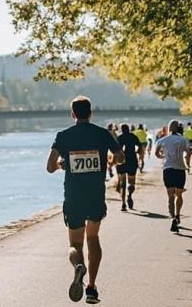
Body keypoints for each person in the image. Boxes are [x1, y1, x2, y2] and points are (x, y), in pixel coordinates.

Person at [47, 96, 124, 304]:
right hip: (95, 194)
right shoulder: (102, 134)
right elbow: (121, 158)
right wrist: (109, 159)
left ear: (73, 114)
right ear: (90, 113)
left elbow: (50, 166)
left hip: (73, 196)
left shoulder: (63, 136)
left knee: (75, 244)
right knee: (93, 238)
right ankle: (91, 288)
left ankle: (78, 266)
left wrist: (62, 165)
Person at [155, 120, 189, 232]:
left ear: (169, 128)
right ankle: (178, 215)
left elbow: (157, 153)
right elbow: (188, 153)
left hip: (168, 169)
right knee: (179, 194)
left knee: (170, 196)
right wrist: (187, 164)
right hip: (180, 169)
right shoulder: (183, 140)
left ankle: (173, 217)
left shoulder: (162, 140)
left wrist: (163, 157)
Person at [117, 124, 141, 211]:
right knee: (131, 182)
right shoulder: (133, 136)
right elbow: (139, 146)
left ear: (121, 129)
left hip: (122, 161)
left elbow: (116, 149)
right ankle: (129, 195)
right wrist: (137, 153)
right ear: (129, 129)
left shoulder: (119, 137)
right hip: (132, 160)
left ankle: (123, 204)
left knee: (123, 183)